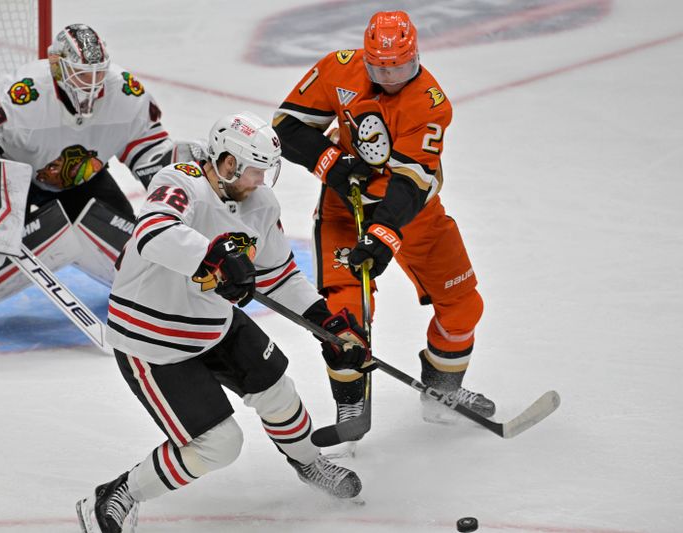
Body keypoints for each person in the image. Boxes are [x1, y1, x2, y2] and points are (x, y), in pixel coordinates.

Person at [75, 111, 374, 533]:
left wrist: (328, 324)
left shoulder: (261, 204)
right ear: (228, 162)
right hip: (154, 338)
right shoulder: (180, 181)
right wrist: (212, 254)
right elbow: (153, 233)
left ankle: (309, 463)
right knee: (220, 445)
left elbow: (280, 276)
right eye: (254, 171)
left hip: (214, 321)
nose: (260, 181)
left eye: (266, 171)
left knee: (278, 392)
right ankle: (119, 491)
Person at [0, 24, 200, 344]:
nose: (91, 84)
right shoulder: (22, 94)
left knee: (134, 254)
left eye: (97, 73)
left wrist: (175, 185)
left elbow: (148, 149)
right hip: (11, 179)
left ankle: (176, 296)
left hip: (84, 182)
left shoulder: (126, 93)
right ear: (56, 65)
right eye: (80, 73)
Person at [272, 11, 495, 427]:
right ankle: (350, 403)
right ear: (365, 57)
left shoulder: (430, 102)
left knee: (464, 306)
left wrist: (382, 234)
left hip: (413, 212)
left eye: (402, 69)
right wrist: (331, 164)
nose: (391, 79)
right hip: (343, 208)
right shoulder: (336, 68)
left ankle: (443, 391)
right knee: (346, 319)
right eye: (379, 69)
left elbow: (409, 184)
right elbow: (286, 126)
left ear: (417, 57)